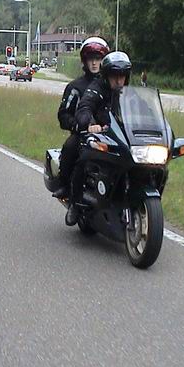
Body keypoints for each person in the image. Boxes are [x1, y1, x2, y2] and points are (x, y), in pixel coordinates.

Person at [64, 51, 133, 226]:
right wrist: (89, 123)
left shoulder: (130, 93)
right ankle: (75, 203)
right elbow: (85, 106)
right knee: (84, 159)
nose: (119, 80)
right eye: (114, 76)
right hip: (100, 135)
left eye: (122, 76)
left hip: (122, 137)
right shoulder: (97, 88)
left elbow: (145, 110)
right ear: (107, 75)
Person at [51, 37, 110, 203]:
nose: (94, 63)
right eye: (91, 59)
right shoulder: (75, 87)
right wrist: (79, 126)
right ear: (84, 61)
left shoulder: (111, 85)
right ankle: (66, 188)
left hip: (110, 134)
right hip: (83, 134)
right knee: (70, 147)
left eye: (98, 58)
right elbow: (63, 114)